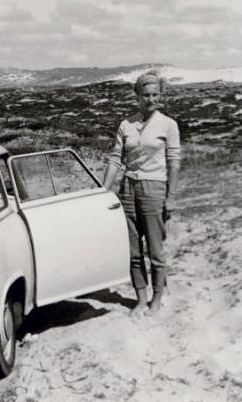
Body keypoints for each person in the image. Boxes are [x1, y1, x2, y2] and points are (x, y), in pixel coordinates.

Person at [102, 71, 180, 316]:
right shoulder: (127, 124)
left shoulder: (168, 124)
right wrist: (104, 190)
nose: (150, 99)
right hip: (128, 189)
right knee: (133, 251)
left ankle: (157, 300)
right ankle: (140, 299)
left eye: (155, 94)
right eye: (145, 95)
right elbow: (116, 158)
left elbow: (173, 161)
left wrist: (171, 195)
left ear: (161, 95)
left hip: (154, 188)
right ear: (137, 95)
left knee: (155, 250)